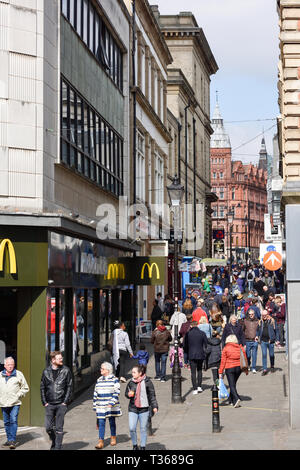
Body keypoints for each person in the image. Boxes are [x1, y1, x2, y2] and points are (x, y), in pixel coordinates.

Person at [40, 351, 73, 450]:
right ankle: (54, 441)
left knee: (59, 428)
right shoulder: (46, 372)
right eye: (59, 358)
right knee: (48, 427)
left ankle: (58, 447)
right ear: (53, 360)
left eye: (61, 358)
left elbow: (69, 386)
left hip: (61, 404)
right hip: (49, 404)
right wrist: (44, 402)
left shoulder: (66, 370)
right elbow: (42, 387)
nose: (61, 359)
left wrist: (65, 402)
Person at [125, 365, 158, 450]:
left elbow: (152, 395)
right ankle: (135, 445)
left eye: (134, 372)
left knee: (143, 429)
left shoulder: (148, 382)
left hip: (144, 409)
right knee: (132, 428)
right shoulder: (130, 382)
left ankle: (143, 446)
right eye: (132, 372)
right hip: (133, 408)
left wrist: (154, 406)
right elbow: (126, 393)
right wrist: (128, 395)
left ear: (140, 373)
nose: (132, 374)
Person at [0, 357, 29, 449]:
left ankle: (12, 440)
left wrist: (18, 395)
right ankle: (9, 440)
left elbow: (25, 388)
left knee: (13, 420)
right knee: (6, 422)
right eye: (8, 364)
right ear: (4, 365)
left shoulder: (19, 374)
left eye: (12, 364)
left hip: (15, 402)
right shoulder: (0, 375)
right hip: (3, 403)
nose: (10, 366)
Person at [93, 362, 122, 449]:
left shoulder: (114, 379)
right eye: (101, 368)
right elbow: (95, 392)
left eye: (102, 369)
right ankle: (101, 441)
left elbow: (116, 392)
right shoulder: (99, 379)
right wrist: (95, 405)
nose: (100, 370)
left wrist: (112, 402)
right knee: (101, 422)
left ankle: (113, 437)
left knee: (111, 421)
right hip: (101, 404)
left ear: (108, 370)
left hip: (110, 405)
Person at [219, 335, 247, 408]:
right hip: (239, 368)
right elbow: (244, 358)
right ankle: (231, 399)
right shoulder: (240, 347)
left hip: (230, 368)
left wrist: (220, 372)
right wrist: (246, 369)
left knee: (231, 385)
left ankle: (236, 398)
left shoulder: (226, 348)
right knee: (233, 383)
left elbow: (223, 361)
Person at [183, 321, 208, 395]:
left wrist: (186, 356)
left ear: (191, 326)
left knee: (193, 372)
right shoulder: (202, 333)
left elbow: (185, 346)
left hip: (191, 354)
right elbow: (206, 343)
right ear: (197, 325)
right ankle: (199, 386)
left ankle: (195, 388)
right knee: (199, 370)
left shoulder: (188, 334)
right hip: (200, 354)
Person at [257, 310, 277, 376]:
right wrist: (257, 336)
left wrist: (277, 339)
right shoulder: (260, 322)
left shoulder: (272, 321)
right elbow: (258, 330)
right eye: (263, 315)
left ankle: (272, 366)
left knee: (271, 355)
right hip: (263, 341)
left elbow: (276, 330)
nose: (264, 316)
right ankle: (265, 369)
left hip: (270, 341)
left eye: (265, 315)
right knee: (264, 355)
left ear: (267, 314)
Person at [241, 309, 259, 373]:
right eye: (250, 314)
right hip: (247, 340)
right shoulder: (245, 321)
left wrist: (257, 335)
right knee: (248, 355)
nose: (251, 315)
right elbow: (242, 331)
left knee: (254, 355)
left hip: (254, 341)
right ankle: (248, 364)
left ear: (254, 314)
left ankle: (253, 368)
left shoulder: (257, 321)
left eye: (252, 314)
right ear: (248, 315)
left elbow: (258, 330)